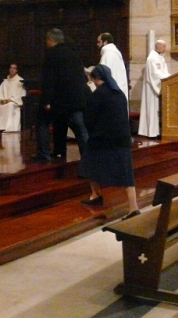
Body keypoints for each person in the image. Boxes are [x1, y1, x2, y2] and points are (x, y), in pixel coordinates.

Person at [78, 65, 140, 219]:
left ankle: (96, 194)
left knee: (88, 162)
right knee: (125, 172)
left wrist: (93, 132)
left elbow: (89, 119)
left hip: (102, 139)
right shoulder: (119, 93)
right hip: (122, 138)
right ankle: (133, 206)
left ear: (97, 79)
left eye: (93, 79)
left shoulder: (98, 95)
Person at [33, 28, 88, 162]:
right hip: (77, 98)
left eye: (47, 40)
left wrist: (46, 101)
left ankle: (45, 154)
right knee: (79, 130)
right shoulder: (73, 54)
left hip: (61, 100)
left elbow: (49, 80)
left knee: (42, 122)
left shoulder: (52, 55)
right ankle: (88, 158)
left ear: (51, 40)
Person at [138, 39, 169, 138]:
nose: (165, 49)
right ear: (158, 46)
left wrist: (168, 77)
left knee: (157, 110)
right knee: (152, 109)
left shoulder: (161, 58)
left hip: (160, 85)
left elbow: (164, 71)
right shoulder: (151, 58)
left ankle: (157, 131)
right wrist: (165, 78)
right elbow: (154, 74)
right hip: (152, 87)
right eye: (163, 46)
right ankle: (151, 133)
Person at [0, 63, 26, 132]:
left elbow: (21, 93)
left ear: (17, 70)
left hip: (13, 102)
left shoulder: (20, 80)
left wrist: (12, 100)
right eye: (11, 68)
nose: (12, 70)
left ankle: (8, 127)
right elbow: (0, 91)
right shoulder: (5, 81)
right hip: (5, 101)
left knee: (10, 105)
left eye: (14, 68)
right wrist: (1, 99)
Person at [97, 32, 128, 103]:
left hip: (111, 94)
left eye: (99, 42)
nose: (97, 44)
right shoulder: (116, 52)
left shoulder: (107, 54)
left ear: (105, 42)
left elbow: (102, 75)